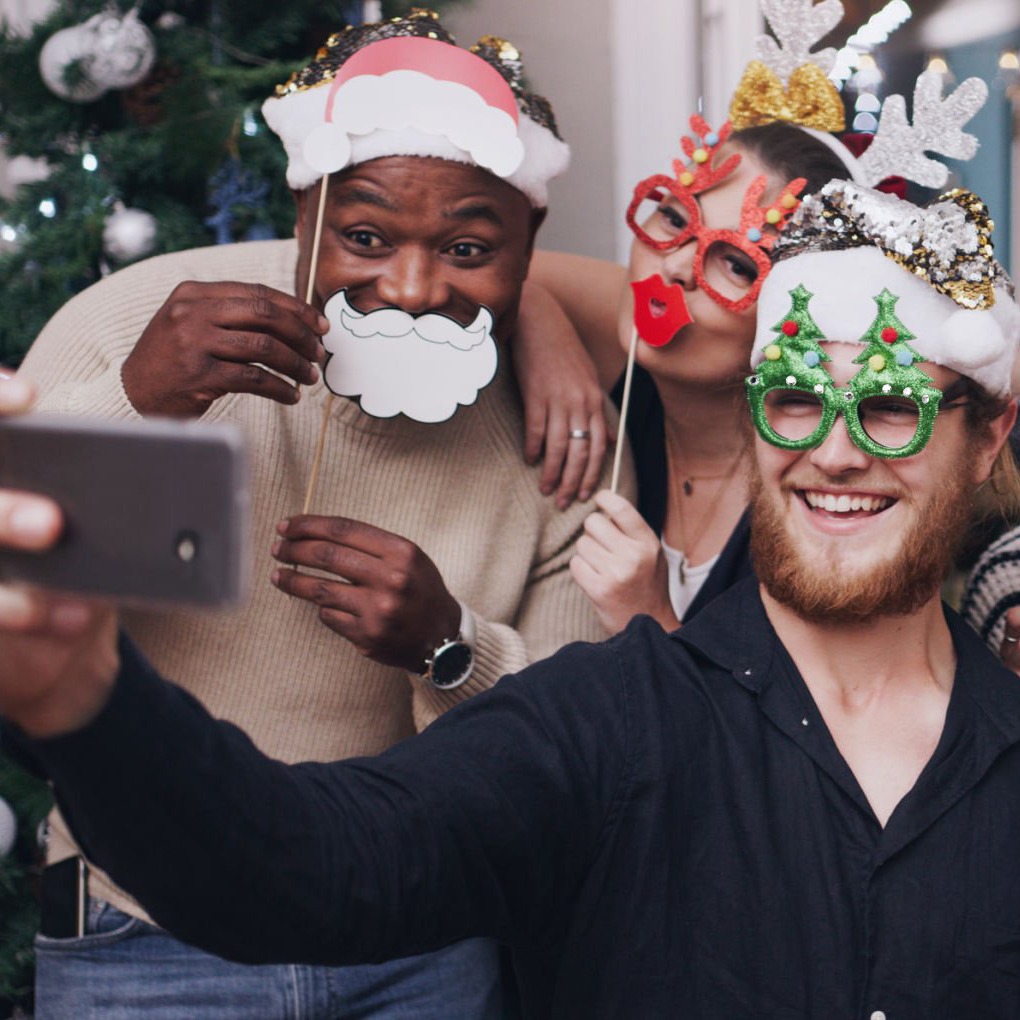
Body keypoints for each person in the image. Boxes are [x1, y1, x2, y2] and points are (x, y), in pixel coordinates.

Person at [3, 176, 1020, 1017]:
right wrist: (90, 696)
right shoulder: (616, 722)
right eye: (795, 398)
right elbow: (307, 859)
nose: (834, 452)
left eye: (891, 407)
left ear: (988, 437)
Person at [13, 12, 628, 1019]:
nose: (416, 287)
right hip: (143, 933)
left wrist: (450, 647)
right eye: (365, 236)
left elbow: (574, 743)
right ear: (305, 210)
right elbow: (20, 592)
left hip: (422, 941)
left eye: (469, 246)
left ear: (529, 248)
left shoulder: (561, 433)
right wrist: (140, 402)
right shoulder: (132, 320)